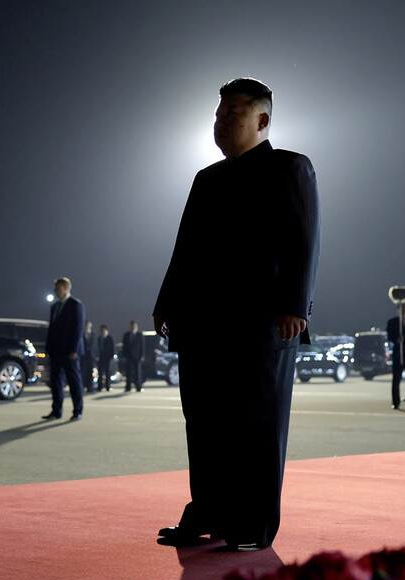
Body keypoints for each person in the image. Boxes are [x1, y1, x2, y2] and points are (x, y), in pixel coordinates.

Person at [152, 77, 321, 551]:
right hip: (203, 324)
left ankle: (253, 524)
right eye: (219, 114)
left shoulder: (290, 168)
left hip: (262, 323)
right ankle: (205, 513)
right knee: (204, 424)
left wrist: (296, 306)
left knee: (257, 425)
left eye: (234, 114)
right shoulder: (206, 179)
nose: (223, 122)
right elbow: (184, 249)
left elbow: (304, 239)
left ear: (263, 120)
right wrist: (166, 301)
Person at [42, 277, 85, 421]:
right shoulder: (54, 307)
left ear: (65, 287)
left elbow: (78, 329)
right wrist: (48, 349)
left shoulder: (75, 305)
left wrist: (74, 349)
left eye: (57, 287)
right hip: (56, 351)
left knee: (73, 381)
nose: (55, 290)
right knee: (56, 382)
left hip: (70, 352)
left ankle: (77, 411)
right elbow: (52, 329)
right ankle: (56, 411)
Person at [121, 321, 145, 392]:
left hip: (137, 356)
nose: (133, 328)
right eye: (131, 326)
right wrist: (123, 355)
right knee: (128, 372)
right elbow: (124, 347)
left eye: (134, 326)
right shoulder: (126, 335)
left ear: (136, 327)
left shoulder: (140, 335)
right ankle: (128, 387)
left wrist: (142, 355)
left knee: (137, 372)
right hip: (128, 356)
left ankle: (138, 387)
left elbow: (142, 346)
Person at [97, 324, 115, 392]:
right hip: (100, 358)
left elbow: (112, 348)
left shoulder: (110, 338)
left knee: (108, 372)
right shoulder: (99, 338)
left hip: (107, 358)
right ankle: (100, 386)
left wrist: (111, 356)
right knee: (100, 373)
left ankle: (108, 386)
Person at [81, 320, 98, 392]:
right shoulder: (81, 334)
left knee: (90, 372)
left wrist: (97, 355)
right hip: (83, 356)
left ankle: (89, 386)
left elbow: (96, 346)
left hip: (91, 356)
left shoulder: (94, 335)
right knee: (82, 372)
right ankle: (82, 386)